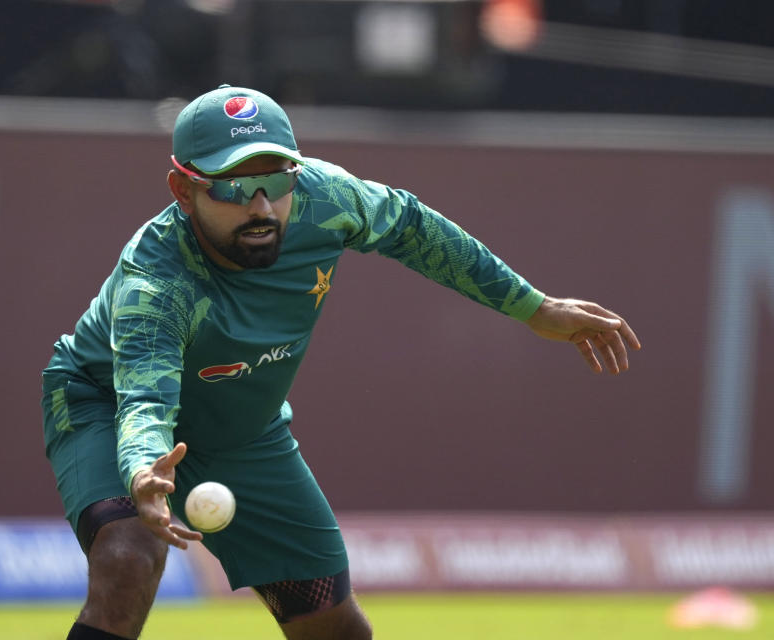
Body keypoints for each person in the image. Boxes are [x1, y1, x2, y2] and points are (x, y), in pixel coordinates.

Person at [41, 84, 641, 640]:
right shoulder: (156, 281)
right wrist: (145, 470)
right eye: (230, 187)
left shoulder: (325, 200)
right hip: (105, 406)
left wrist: (535, 308)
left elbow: (412, 226)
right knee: (129, 555)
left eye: (275, 181)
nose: (261, 208)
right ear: (183, 190)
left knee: (335, 629)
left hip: (244, 430)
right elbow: (145, 400)